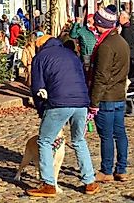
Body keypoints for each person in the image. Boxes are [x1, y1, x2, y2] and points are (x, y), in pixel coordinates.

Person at [26, 33, 99, 197]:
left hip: (59, 102)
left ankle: (48, 184)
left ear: (40, 46)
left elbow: (37, 88)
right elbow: (83, 77)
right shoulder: (71, 54)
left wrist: (41, 110)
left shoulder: (40, 57)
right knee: (79, 140)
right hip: (81, 102)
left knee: (44, 140)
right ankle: (90, 182)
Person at [89, 7, 131, 183]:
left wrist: (93, 101)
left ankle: (106, 170)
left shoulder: (106, 45)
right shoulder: (121, 42)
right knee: (119, 133)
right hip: (119, 94)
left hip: (107, 97)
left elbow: (101, 75)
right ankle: (121, 168)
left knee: (106, 135)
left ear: (101, 24)